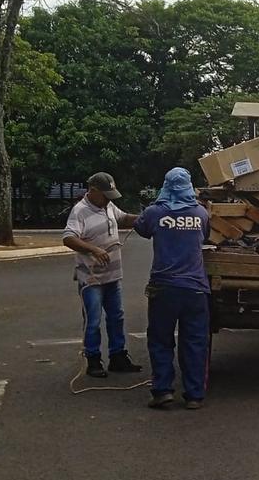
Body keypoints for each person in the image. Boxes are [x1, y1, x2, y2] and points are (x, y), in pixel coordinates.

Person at [133, 167, 211, 411]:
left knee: (160, 340)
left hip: (164, 288)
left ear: (166, 186)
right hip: (196, 289)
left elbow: (140, 228)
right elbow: (205, 237)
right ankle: (194, 395)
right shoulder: (201, 213)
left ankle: (163, 391)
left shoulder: (155, 213)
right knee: (195, 342)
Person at [62, 172, 142, 378]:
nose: (108, 198)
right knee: (93, 319)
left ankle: (118, 356)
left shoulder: (108, 206)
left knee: (117, 316)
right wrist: (93, 249)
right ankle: (93, 359)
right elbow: (68, 238)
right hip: (91, 277)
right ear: (93, 190)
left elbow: (123, 218)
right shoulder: (80, 211)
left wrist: (143, 218)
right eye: (105, 194)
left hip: (112, 275)